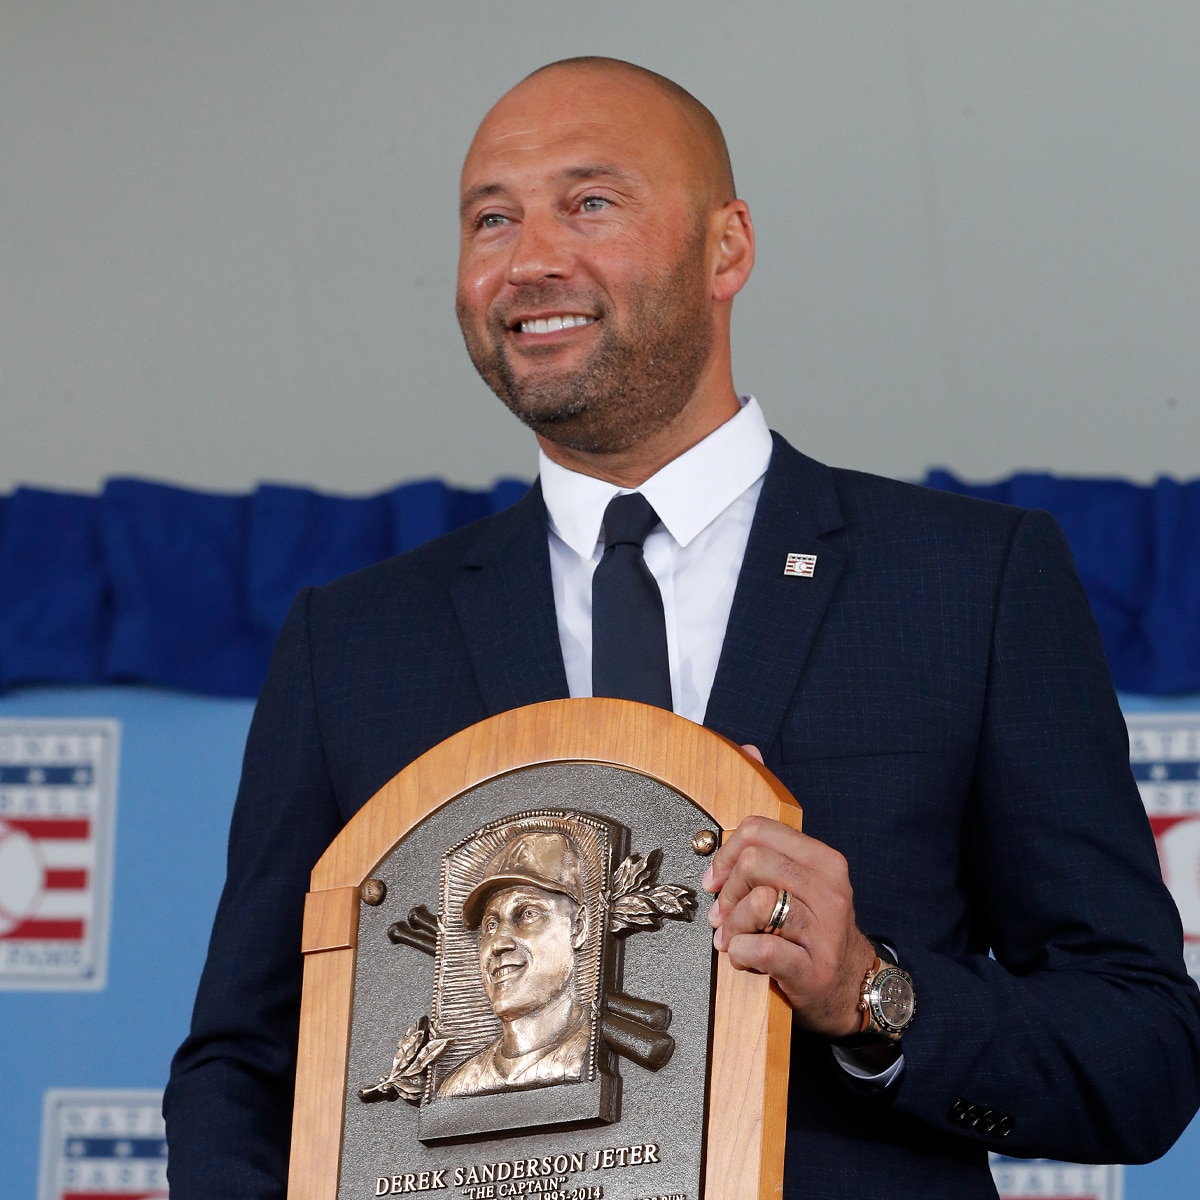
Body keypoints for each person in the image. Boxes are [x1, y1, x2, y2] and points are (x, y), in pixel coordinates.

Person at [164, 56, 1200, 1198]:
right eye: (490, 218)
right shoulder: (350, 643)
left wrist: (867, 991)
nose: (532, 258)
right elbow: (244, 1069)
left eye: (590, 202)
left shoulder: (969, 583)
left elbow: (1141, 1053)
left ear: (727, 249)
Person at [438, 830, 591, 1098]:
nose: (498, 944)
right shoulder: (458, 1087)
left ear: (577, 928)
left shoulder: (593, 1054)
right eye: (491, 925)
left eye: (528, 914)